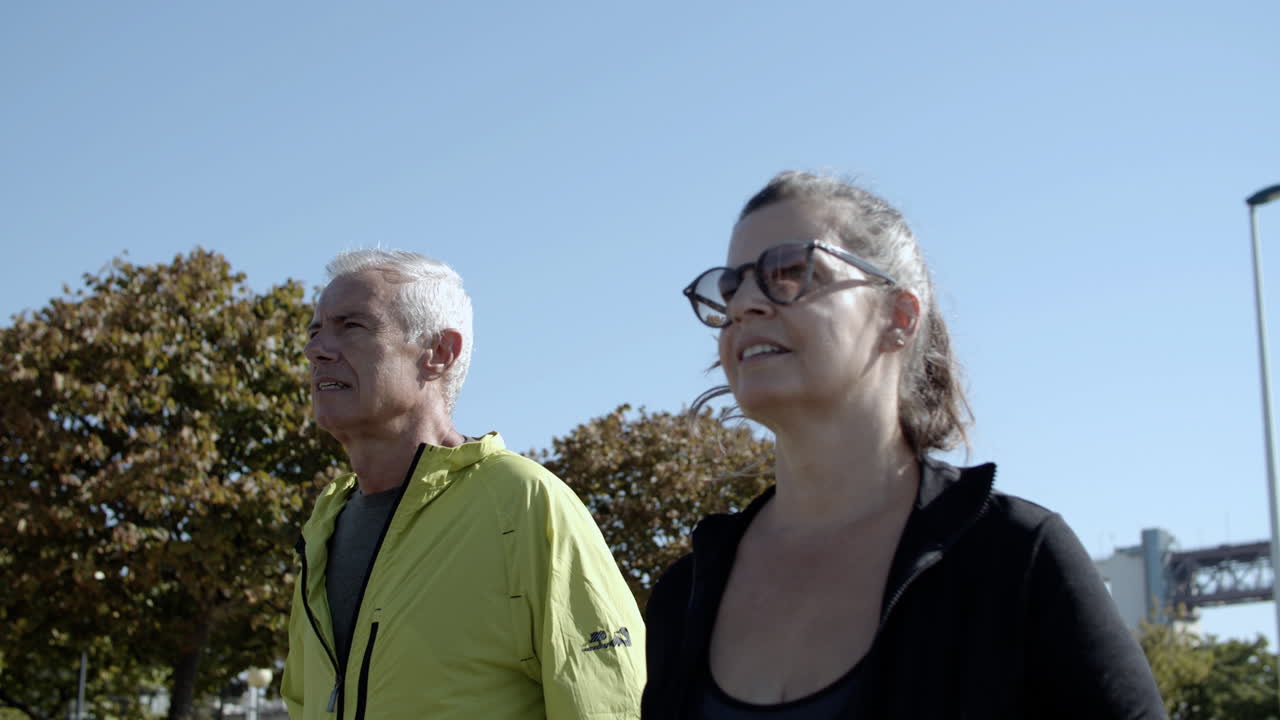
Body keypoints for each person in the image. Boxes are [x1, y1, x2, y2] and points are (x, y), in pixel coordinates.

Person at [642, 172, 1165, 718]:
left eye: (790, 271)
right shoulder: (687, 593)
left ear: (898, 317)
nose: (745, 303)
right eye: (730, 287)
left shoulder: (1017, 560)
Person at [282, 248, 645, 720]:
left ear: (439, 353)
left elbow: (607, 703)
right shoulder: (323, 525)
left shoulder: (525, 501)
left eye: (351, 327)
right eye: (314, 332)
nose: (316, 349)